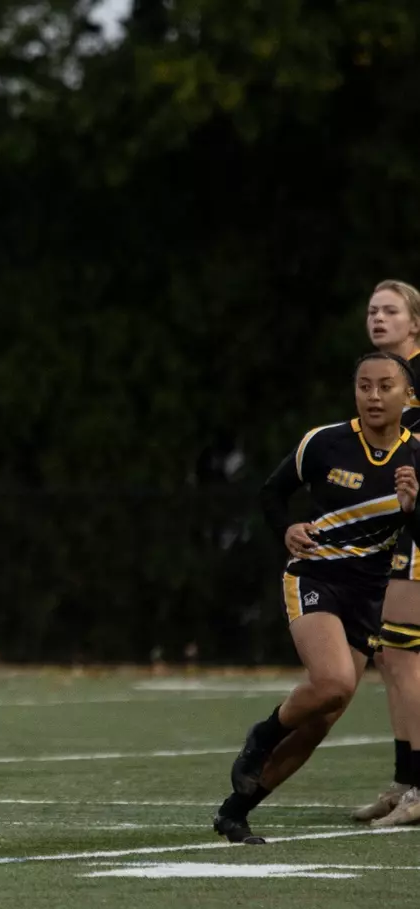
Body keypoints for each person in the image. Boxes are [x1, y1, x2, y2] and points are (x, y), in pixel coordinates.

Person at [215, 351, 420, 843]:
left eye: (385, 386)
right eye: (364, 386)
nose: (373, 396)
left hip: (367, 595)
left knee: (322, 719)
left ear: (407, 396)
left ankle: (234, 810)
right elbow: (272, 493)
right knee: (330, 683)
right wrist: (285, 528)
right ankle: (262, 736)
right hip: (315, 576)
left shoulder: (416, 457)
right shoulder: (325, 443)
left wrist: (414, 508)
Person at [351, 280, 420, 825]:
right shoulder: (380, 380)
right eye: (373, 310)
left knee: (405, 653)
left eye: (391, 311)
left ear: (414, 322)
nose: (378, 318)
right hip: (398, 528)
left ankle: (417, 787)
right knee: (392, 655)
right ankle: (406, 781)